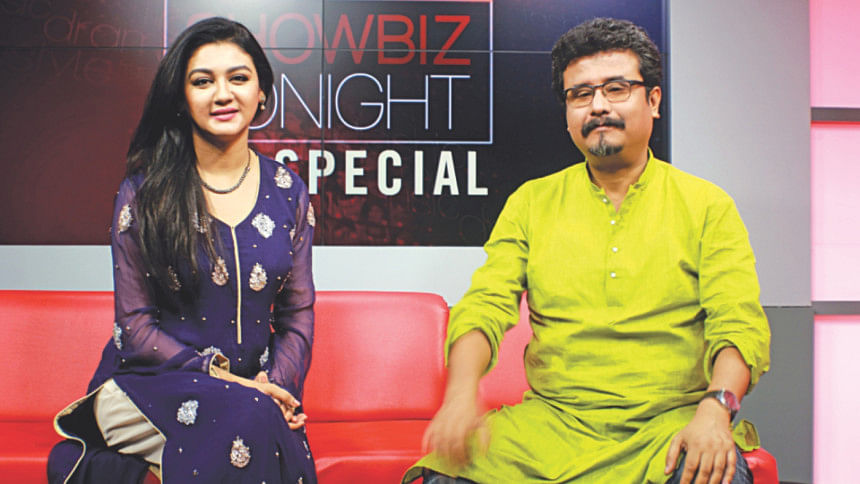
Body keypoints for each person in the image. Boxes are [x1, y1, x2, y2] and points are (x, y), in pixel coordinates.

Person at [404, 17, 770, 484]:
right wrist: (460, 395)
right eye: (580, 94)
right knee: (443, 476)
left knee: (714, 473)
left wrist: (716, 411)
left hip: (667, 425)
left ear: (653, 101)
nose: (597, 106)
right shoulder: (532, 203)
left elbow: (738, 324)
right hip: (552, 426)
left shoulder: (706, 206)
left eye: (616, 88)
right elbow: (485, 306)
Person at [47, 17, 317, 484]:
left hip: (254, 395)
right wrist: (229, 381)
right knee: (252, 418)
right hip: (150, 385)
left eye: (238, 78)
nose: (222, 94)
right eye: (202, 81)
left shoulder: (287, 191)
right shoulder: (144, 193)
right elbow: (135, 329)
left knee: (253, 417)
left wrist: (275, 386)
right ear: (181, 97)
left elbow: (297, 315)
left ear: (262, 94)